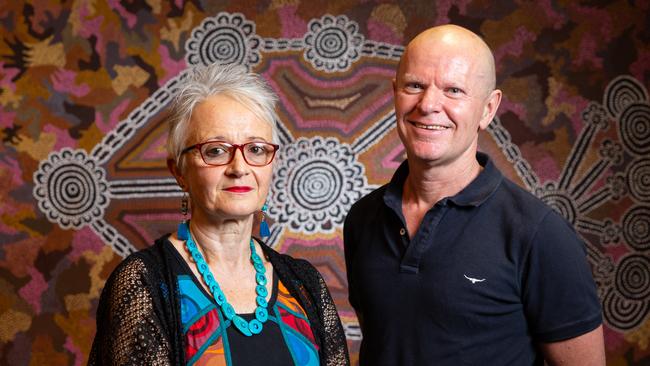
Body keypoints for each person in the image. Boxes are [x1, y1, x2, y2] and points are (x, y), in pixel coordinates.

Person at [344, 24, 605, 365]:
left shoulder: (539, 234)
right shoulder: (363, 219)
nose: (428, 104)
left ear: (488, 109)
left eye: (453, 90)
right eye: (414, 86)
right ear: (395, 93)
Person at [89, 63, 349, 365]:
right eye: (215, 150)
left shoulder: (305, 284)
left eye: (256, 149)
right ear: (180, 172)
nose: (239, 168)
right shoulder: (145, 283)